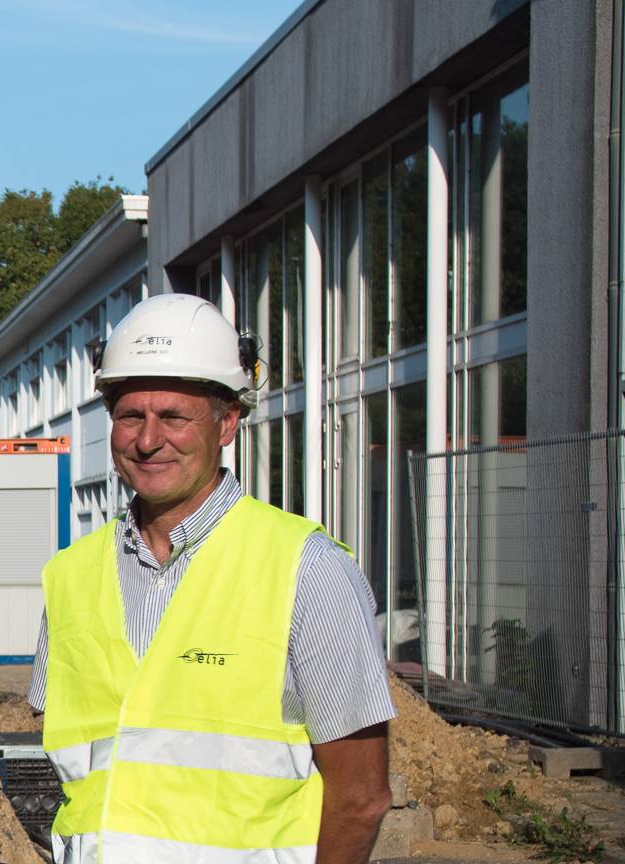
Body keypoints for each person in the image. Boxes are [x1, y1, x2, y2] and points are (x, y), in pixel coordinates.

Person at [27, 293, 393, 864]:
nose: (148, 440)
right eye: (130, 415)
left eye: (174, 416)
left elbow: (361, 797)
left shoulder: (307, 569)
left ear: (227, 423)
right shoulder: (69, 576)